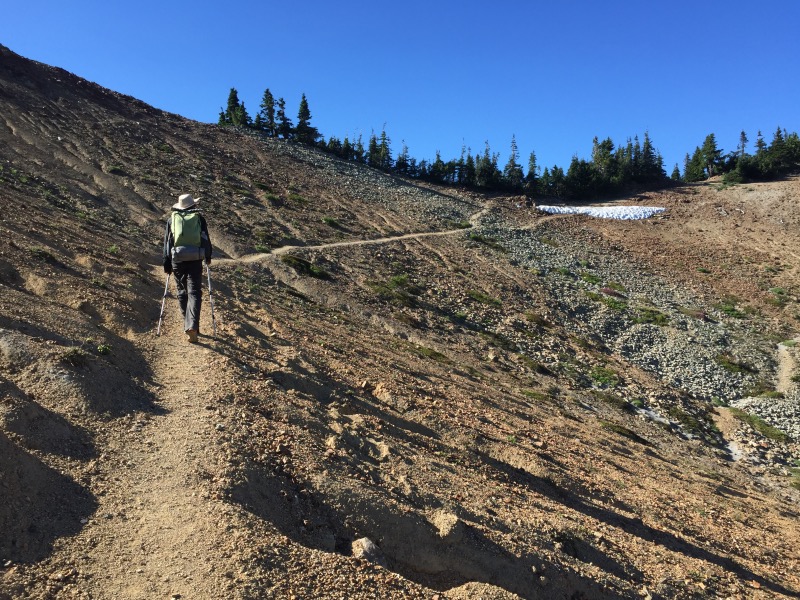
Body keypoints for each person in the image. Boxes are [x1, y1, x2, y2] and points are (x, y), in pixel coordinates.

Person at [162, 193, 212, 343]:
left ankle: (188, 323)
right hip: (196, 258)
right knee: (195, 292)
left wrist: (167, 262)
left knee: (182, 291)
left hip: (178, 259)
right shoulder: (199, 219)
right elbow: (205, 239)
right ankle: (193, 326)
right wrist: (208, 256)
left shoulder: (172, 219)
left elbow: (167, 242)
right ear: (193, 205)